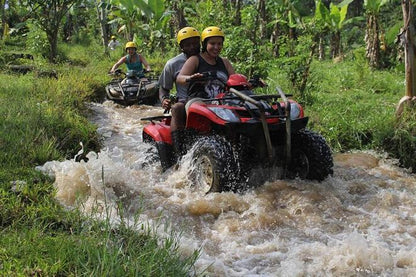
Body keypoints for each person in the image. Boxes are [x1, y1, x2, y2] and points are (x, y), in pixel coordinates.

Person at [158, 26, 201, 159]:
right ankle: (179, 151)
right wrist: (164, 99)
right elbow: (164, 87)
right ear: (181, 47)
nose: (192, 47)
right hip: (185, 101)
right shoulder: (173, 64)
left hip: (210, 99)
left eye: (195, 43)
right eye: (188, 45)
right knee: (177, 108)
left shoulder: (209, 58)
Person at [176, 26, 235, 100]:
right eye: (212, 44)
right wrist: (190, 78)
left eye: (219, 44)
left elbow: (235, 80)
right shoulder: (194, 60)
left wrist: (247, 84)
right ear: (205, 44)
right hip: (198, 101)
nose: (216, 47)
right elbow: (179, 78)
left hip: (222, 101)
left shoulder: (225, 62)